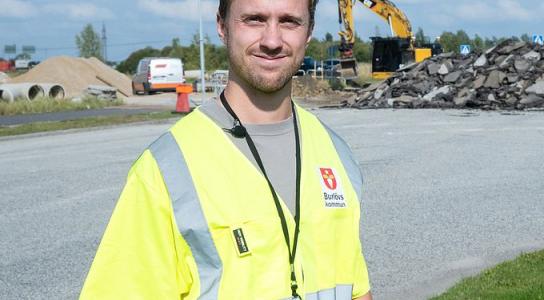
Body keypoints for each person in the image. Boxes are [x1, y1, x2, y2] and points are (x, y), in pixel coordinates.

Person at [80, 0, 372, 299]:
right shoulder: (165, 169)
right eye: (254, 19)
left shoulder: (336, 153)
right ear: (222, 26)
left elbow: (355, 287)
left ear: (309, 31)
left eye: (289, 21)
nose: (272, 40)